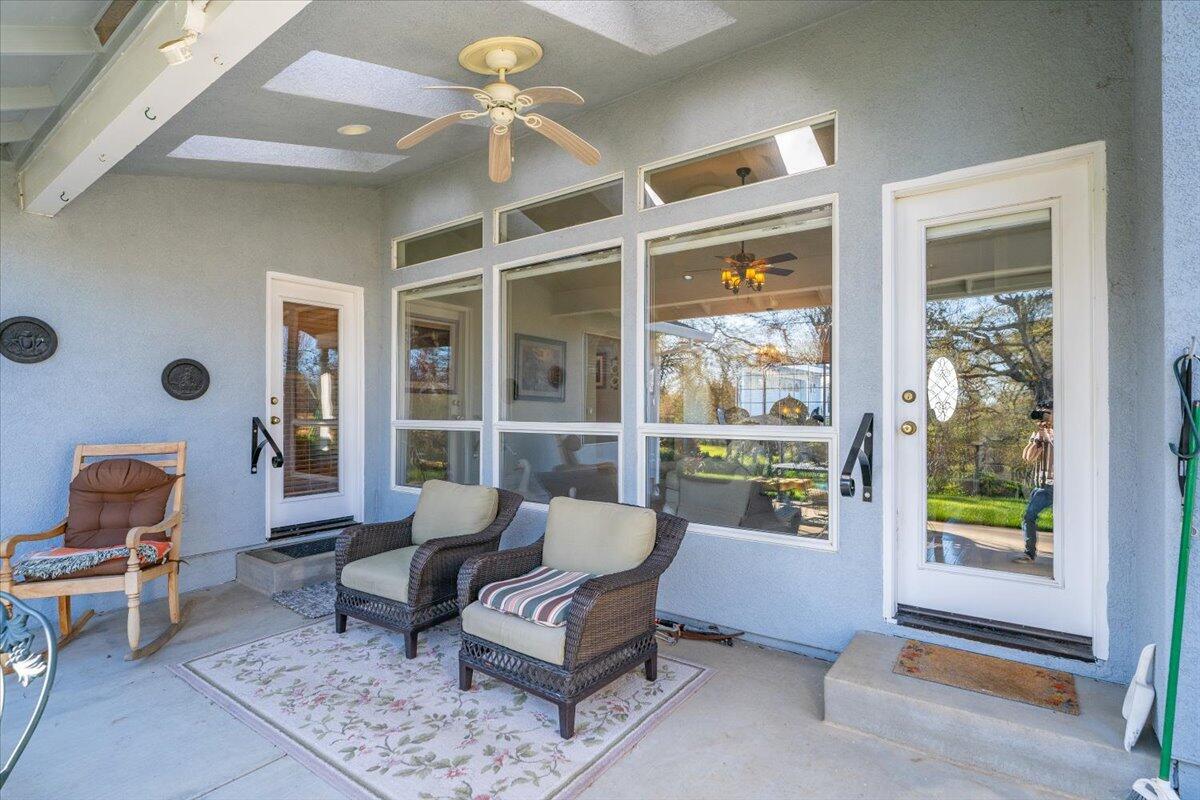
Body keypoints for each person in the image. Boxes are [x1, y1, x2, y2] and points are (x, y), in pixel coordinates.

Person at [1015, 404, 1054, 563]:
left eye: (1046, 414)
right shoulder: (1039, 433)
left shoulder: (1064, 430)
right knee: (1028, 516)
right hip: (1040, 485)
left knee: (1029, 516)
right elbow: (1028, 457)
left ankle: (1029, 553)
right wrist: (1038, 439)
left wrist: (1048, 433)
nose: (1042, 417)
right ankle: (1029, 553)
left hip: (1054, 485)